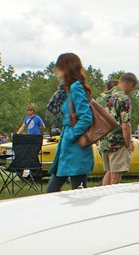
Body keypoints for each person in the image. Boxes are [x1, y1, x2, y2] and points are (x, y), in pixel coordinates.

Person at [45, 52, 95, 193]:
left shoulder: (75, 88)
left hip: (76, 147)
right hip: (68, 147)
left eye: (59, 67)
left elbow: (86, 117)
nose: (57, 71)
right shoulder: (68, 89)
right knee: (53, 191)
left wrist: (71, 135)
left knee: (78, 194)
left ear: (65, 68)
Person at [99, 72, 137, 186]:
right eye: (133, 87)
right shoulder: (123, 99)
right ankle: (111, 201)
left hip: (104, 140)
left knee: (109, 172)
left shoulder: (103, 97)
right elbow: (125, 125)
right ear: (130, 84)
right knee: (116, 177)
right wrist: (128, 143)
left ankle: (102, 196)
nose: (133, 90)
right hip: (117, 142)